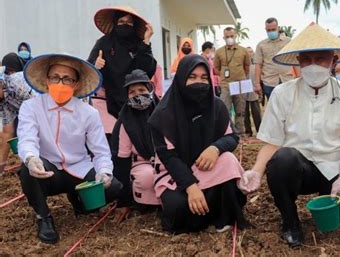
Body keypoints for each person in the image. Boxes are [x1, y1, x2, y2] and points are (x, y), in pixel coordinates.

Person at [239, 23, 340, 247]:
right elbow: (272, 142)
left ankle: (328, 199)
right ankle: (290, 220)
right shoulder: (282, 94)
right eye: (307, 59)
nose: (313, 66)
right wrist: (256, 170)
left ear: (334, 61)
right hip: (298, 168)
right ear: (298, 63)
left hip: (334, 166)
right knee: (282, 159)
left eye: (321, 59)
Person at [18, 54, 122, 244]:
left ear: (76, 84)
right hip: (50, 171)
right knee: (27, 170)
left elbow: (100, 151)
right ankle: (44, 216)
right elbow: (27, 138)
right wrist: (32, 158)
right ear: (46, 79)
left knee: (114, 187)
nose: (61, 82)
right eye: (55, 77)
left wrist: (104, 172)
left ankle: (78, 198)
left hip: (79, 170)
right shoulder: (31, 107)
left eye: (67, 79)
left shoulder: (88, 113)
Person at [148, 54, 248, 233]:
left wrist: (215, 148)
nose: (198, 83)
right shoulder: (163, 114)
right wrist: (190, 187)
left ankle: (222, 217)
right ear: (180, 79)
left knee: (228, 160)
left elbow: (232, 137)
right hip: (174, 174)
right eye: (192, 77)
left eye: (203, 78)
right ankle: (208, 212)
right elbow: (168, 157)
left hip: (205, 167)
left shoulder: (216, 106)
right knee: (178, 209)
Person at [87, 6, 157, 141]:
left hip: (137, 99)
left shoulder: (139, 44)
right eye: (121, 21)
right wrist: (96, 66)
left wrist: (146, 41)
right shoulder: (104, 43)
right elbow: (89, 71)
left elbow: (147, 71)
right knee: (114, 140)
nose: (125, 25)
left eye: (129, 22)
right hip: (109, 101)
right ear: (115, 22)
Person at [111, 69, 160, 222]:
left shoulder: (163, 113)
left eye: (142, 90)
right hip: (140, 163)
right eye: (132, 92)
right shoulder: (124, 123)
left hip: (165, 159)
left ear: (150, 90)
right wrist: (123, 201)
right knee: (148, 177)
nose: (137, 95)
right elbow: (121, 162)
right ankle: (140, 202)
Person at [213, 27, 250, 135]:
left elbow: (247, 66)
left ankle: (240, 133)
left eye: (231, 36)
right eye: (227, 36)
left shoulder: (243, 51)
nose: (229, 38)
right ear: (224, 37)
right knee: (225, 109)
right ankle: (228, 132)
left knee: (240, 110)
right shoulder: (219, 51)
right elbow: (216, 68)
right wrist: (225, 78)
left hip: (240, 84)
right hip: (226, 85)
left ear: (236, 35)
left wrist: (240, 75)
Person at [0, 68, 34, 175]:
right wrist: (2, 163)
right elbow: (7, 132)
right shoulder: (2, 102)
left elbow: (41, 109)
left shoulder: (16, 85)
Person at [254, 17, 293, 99]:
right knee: (274, 109)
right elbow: (258, 65)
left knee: (289, 107)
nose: (271, 32)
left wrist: (299, 78)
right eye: (269, 30)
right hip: (269, 82)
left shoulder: (289, 41)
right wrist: (257, 84)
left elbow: (295, 61)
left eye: (273, 29)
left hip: (287, 80)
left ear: (278, 28)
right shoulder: (261, 45)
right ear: (265, 29)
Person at [244, 47, 262, 136]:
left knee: (256, 112)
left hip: (254, 91)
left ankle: (260, 130)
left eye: (251, 52)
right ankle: (248, 131)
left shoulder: (256, 66)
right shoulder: (242, 66)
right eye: (247, 52)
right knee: (245, 112)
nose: (249, 53)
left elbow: (260, 79)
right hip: (244, 92)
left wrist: (260, 91)